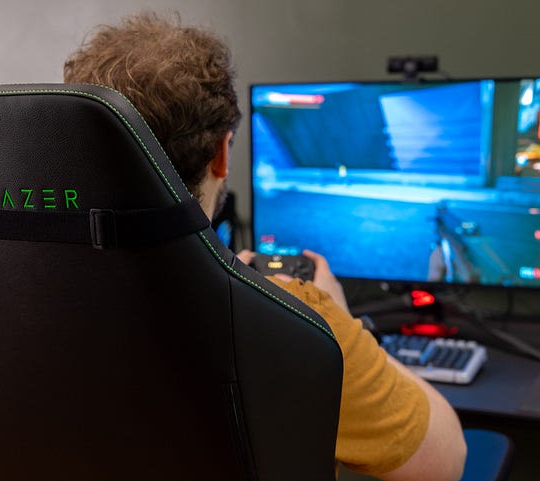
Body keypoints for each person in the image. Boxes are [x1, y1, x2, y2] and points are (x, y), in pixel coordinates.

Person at [64, 12, 467, 481]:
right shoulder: (295, 314)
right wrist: (342, 323)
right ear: (221, 154)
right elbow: (446, 461)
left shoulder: (16, 299)